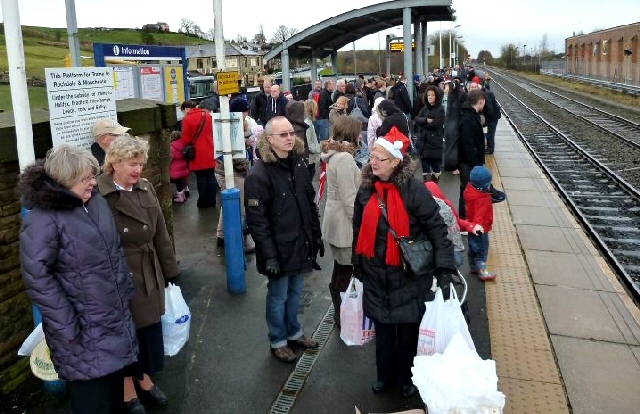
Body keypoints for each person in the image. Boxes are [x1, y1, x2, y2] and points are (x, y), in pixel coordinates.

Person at [19, 144, 138, 414]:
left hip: (113, 321)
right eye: (86, 178)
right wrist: (66, 324)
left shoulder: (95, 202)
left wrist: (125, 290)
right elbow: (38, 277)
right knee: (94, 404)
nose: (94, 183)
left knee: (117, 402)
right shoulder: (42, 219)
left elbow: (114, 251)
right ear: (66, 180)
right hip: (80, 332)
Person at [353, 126, 454, 398]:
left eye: (379, 158)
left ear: (396, 162)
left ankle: (407, 377)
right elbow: (358, 227)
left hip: (407, 274)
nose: (372, 162)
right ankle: (384, 375)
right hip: (375, 272)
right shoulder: (366, 190)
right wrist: (357, 263)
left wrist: (444, 268)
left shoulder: (415, 191)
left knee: (408, 329)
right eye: (371, 156)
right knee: (383, 329)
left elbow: (436, 229)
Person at [97, 135, 180, 414]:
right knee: (125, 335)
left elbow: (160, 233)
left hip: (149, 271)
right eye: (133, 164)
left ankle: (145, 379)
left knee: (148, 333)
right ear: (115, 163)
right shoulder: (100, 195)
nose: (138, 170)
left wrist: (170, 270)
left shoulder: (145, 188)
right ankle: (128, 392)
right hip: (120, 275)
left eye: (141, 165)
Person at [244, 116, 323, 364]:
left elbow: (309, 204)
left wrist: (316, 235)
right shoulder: (258, 174)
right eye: (283, 134)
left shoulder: (298, 164)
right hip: (278, 247)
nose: (290, 138)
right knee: (278, 295)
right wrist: (269, 255)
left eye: (291, 133)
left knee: (295, 291)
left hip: (300, 242)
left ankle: (294, 332)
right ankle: (278, 340)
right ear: (269, 140)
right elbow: (257, 221)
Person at [320, 116, 362, 325]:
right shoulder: (345, 159)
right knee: (346, 268)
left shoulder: (334, 155)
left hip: (334, 218)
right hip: (344, 223)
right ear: (351, 134)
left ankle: (340, 313)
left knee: (340, 267)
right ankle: (343, 316)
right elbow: (349, 198)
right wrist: (360, 223)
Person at [215, 98, 255, 255]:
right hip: (233, 171)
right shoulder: (232, 126)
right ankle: (235, 240)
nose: (247, 113)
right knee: (238, 206)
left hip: (226, 170)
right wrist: (247, 171)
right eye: (245, 110)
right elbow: (235, 155)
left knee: (228, 203)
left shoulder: (234, 124)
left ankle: (222, 235)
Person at [425, 181, 483, 268]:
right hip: (444, 247)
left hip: (439, 247)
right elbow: (456, 221)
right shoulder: (446, 204)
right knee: (456, 261)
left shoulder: (443, 205)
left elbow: (455, 221)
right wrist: (471, 226)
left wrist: (470, 226)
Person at [182, 98, 218, 208]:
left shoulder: (187, 120)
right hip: (210, 150)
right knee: (211, 176)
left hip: (197, 153)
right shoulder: (208, 116)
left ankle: (203, 202)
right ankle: (212, 201)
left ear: (188, 109)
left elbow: (186, 140)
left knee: (201, 178)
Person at [463, 166, 497, 281]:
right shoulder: (481, 198)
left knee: (472, 248)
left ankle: (473, 267)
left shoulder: (470, 190)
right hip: (480, 228)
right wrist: (478, 229)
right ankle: (482, 271)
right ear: (483, 185)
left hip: (471, 225)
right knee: (481, 250)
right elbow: (479, 215)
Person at [458, 89, 487, 218]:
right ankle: (464, 220)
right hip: (469, 164)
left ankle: (467, 218)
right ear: (481, 101)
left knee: (468, 191)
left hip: (469, 163)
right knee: (467, 191)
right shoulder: (468, 118)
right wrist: (475, 163)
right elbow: (468, 144)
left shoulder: (468, 115)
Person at [414, 85, 445, 182]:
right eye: (428, 95)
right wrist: (426, 120)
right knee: (425, 166)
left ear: (437, 96)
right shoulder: (425, 108)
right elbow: (417, 119)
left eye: (432, 95)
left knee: (435, 166)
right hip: (424, 143)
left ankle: (434, 187)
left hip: (434, 142)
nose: (430, 97)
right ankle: (427, 186)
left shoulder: (440, 109)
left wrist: (422, 123)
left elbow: (436, 124)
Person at [169, 130, 190, 203]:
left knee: (177, 182)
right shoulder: (183, 144)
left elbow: (171, 157)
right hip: (184, 166)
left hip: (175, 168)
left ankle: (180, 198)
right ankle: (185, 193)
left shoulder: (171, 146)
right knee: (182, 181)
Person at [304, 99, 321, 179]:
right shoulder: (308, 123)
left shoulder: (309, 122)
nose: (317, 110)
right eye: (316, 108)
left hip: (311, 158)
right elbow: (307, 143)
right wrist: (318, 149)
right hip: (310, 159)